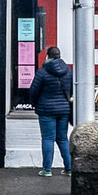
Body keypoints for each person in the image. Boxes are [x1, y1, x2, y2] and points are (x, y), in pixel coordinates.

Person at [28, 46, 74, 176]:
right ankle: (69, 168)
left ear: (47, 56)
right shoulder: (68, 71)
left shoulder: (42, 72)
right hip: (63, 109)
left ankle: (47, 169)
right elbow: (71, 90)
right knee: (63, 139)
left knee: (48, 139)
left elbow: (33, 91)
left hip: (46, 110)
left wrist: (34, 103)